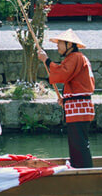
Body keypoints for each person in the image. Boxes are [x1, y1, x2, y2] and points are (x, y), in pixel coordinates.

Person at [37, 28, 95, 168]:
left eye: (60, 44)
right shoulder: (76, 58)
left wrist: (46, 60)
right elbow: (74, 82)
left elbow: (62, 74)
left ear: (69, 45)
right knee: (76, 142)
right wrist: (66, 99)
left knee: (79, 143)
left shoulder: (75, 57)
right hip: (77, 105)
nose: (57, 46)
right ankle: (79, 167)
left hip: (79, 107)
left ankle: (84, 171)